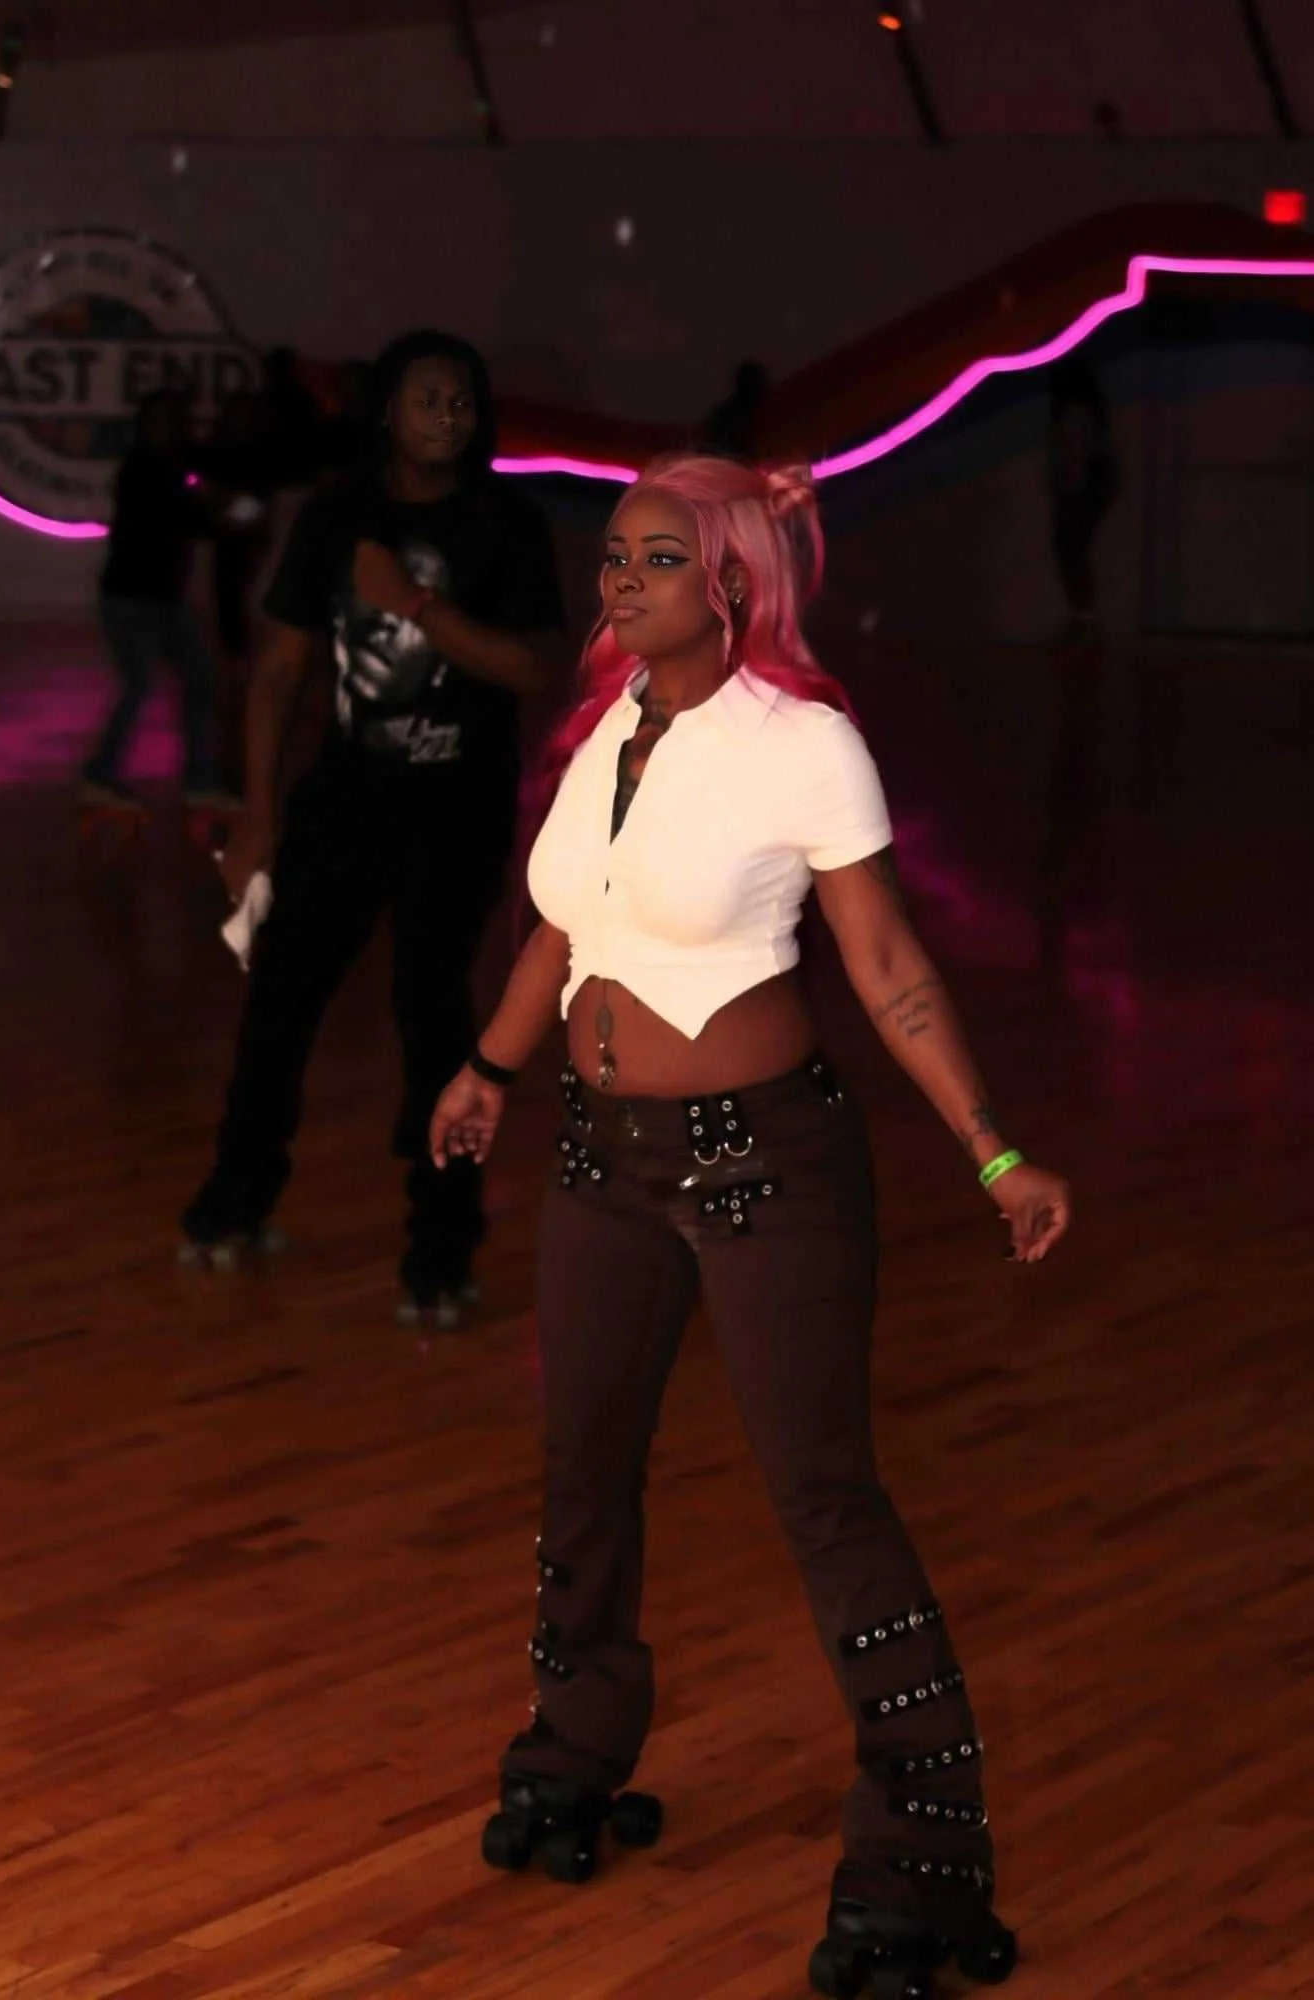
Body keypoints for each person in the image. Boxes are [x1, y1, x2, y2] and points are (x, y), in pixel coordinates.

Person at [429, 455, 1071, 1991]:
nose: (618, 582)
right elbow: (560, 929)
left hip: (763, 1169)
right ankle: (574, 1744)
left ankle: (918, 1859)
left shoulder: (805, 743)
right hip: (601, 1162)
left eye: (655, 559)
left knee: (825, 1502)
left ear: (732, 581)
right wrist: (485, 1070)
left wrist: (992, 1155)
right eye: (612, 559)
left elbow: (888, 966)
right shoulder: (604, 730)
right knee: (582, 1469)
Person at [180, 330, 565, 1323]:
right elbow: (277, 671)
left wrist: (419, 606)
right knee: (280, 1002)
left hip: (458, 808)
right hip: (345, 798)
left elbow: (534, 668)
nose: (447, 415)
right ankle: (234, 1200)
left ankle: (440, 1249)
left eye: (462, 402)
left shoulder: (506, 523)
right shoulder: (333, 518)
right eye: (426, 398)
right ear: (386, 410)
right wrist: (257, 814)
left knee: (433, 1018)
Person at [81, 391, 229, 813]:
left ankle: (196, 780)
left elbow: (188, 518)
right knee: (148, 685)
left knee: (188, 682)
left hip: (153, 595)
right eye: (165, 421)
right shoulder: (147, 471)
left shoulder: (160, 467)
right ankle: (104, 775)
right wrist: (217, 511)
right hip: (135, 597)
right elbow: (183, 521)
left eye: (175, 420)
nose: (172, 429)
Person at [1047, 357, 1120, 632]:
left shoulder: (1074, 412)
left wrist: (1069, 491)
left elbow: (1074, 454)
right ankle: (1083, 614)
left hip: (1080, 487)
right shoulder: (1086, 410)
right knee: (1073, 550)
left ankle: (1083, 616)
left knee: (1070, 550)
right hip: (1085, 486)